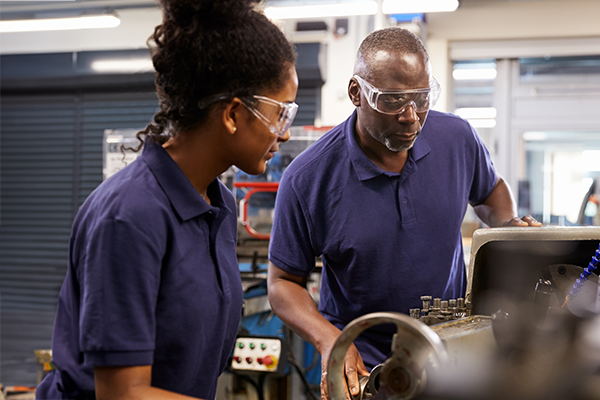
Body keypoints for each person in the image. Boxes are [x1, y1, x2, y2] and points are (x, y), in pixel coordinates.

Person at [36, 1, 297, 399]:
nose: (285, 134)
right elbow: (123, 393)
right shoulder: (128, 217)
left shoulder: (220, 208)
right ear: (231, 114)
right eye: (281, 113)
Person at [267, 27, 541, 400]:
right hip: (366, 365)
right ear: (356, 93)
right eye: (393, 100)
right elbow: (283, 284)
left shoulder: (457, 138)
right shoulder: (307, 179)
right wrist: (330, 339)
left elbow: (491, 191)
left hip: (452, 349)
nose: (411, 116)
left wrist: (507, 228)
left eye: (422, 97)